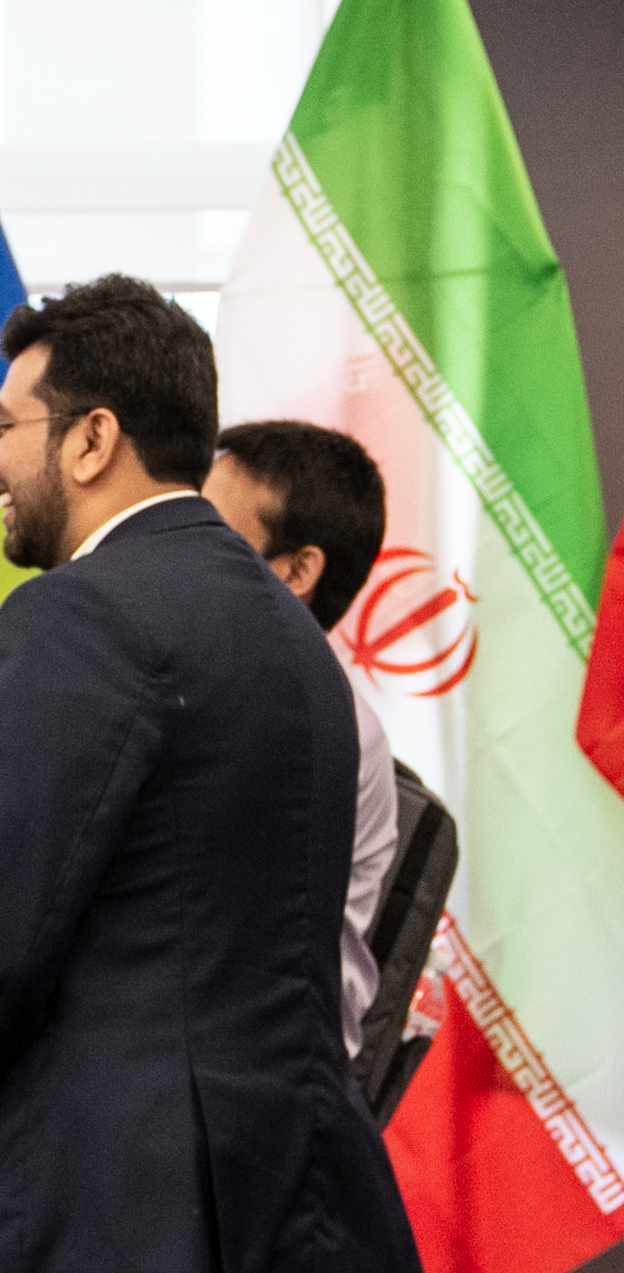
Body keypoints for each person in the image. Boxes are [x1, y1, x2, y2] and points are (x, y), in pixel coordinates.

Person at [0, 276, 427, 1273]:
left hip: (95, 1254)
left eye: (2, 427)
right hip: (282, 1239)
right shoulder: (299, 645)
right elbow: (181, 945)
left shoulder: (74, 616)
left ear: (92, 439)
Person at [203, 421, 399, 1060]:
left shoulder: (314, 728)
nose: (175, 552)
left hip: (251, 1082)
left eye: (210, 534)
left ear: (297, 570)